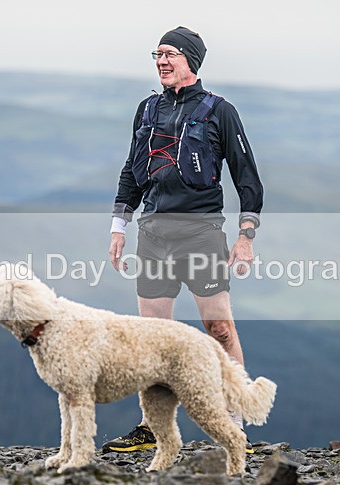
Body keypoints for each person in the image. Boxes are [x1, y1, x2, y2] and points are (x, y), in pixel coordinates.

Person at [104, 26, 263, 454]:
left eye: (169, 54)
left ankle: (234, 422)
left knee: (219, 329)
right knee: (154, 337)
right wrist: (119, 225)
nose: (161, 61)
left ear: (190, 60)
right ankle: (151, 427)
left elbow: (247, 176)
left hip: (201, 233)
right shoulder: (147, 109)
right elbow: (131, 170)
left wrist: (246, 236)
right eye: (157, 54)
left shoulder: (219, 111)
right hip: (153, 234)